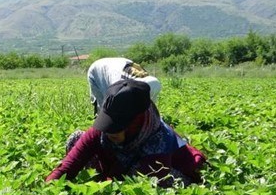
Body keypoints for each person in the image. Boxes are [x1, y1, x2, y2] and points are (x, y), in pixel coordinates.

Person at [46, 79, 205, 186]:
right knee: (77, 139)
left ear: (137, 122)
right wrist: (48, 189)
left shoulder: (159, 143)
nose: (109, 132)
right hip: (120, 166)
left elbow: (129, 187)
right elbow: (67, 167)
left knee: (156, 182)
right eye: (108, 124)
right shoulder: (104, 130)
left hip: (169, 172)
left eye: (117, 126)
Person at [87, 57, 161, 115]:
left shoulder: (150, 83)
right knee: (105, 108)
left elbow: (149, 108)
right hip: (97, 71)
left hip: (118, 65)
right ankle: (100, 132)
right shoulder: (120, 86)